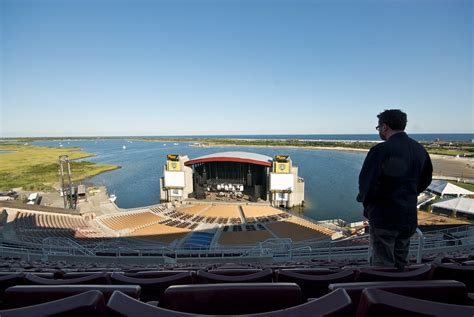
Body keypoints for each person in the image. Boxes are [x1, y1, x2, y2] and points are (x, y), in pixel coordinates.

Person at [357, 109, 433, 270]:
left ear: (384, 127)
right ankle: (399, 291)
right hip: (408, 217)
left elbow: (367, 185)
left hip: (384, 217)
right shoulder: (420, 150)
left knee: (382, 265)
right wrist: (407, 194)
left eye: (378, 128)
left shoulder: (381, 150)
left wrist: (368, 206)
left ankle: (381, 294)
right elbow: (426, 180)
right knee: (401, 262)